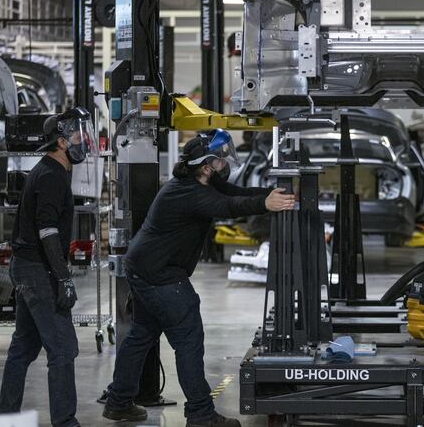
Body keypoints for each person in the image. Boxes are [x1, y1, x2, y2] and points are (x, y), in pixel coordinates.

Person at [102, 129, 295, 427]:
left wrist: (267, 198)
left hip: (145, 268)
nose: (223, 164)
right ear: (206, 165)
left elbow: (236, 194)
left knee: (141, 335)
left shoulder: (200, 181)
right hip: (160, 275)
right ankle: (201, 414)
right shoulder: (189, 194)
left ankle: (118, 403)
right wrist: (263, 205)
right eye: (219, 161)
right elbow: (228, 207)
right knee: (189, 339)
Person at [0, 107, 97, 427]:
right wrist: (64, 277)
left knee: (24, 347)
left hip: (27, 267)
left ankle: (8, 415)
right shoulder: (52, 176)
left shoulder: (46, 170)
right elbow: (47, 231)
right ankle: (65, 422)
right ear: (61, 141)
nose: (83, 140)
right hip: (37, 271)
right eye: (77, 135)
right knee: (63, 349)